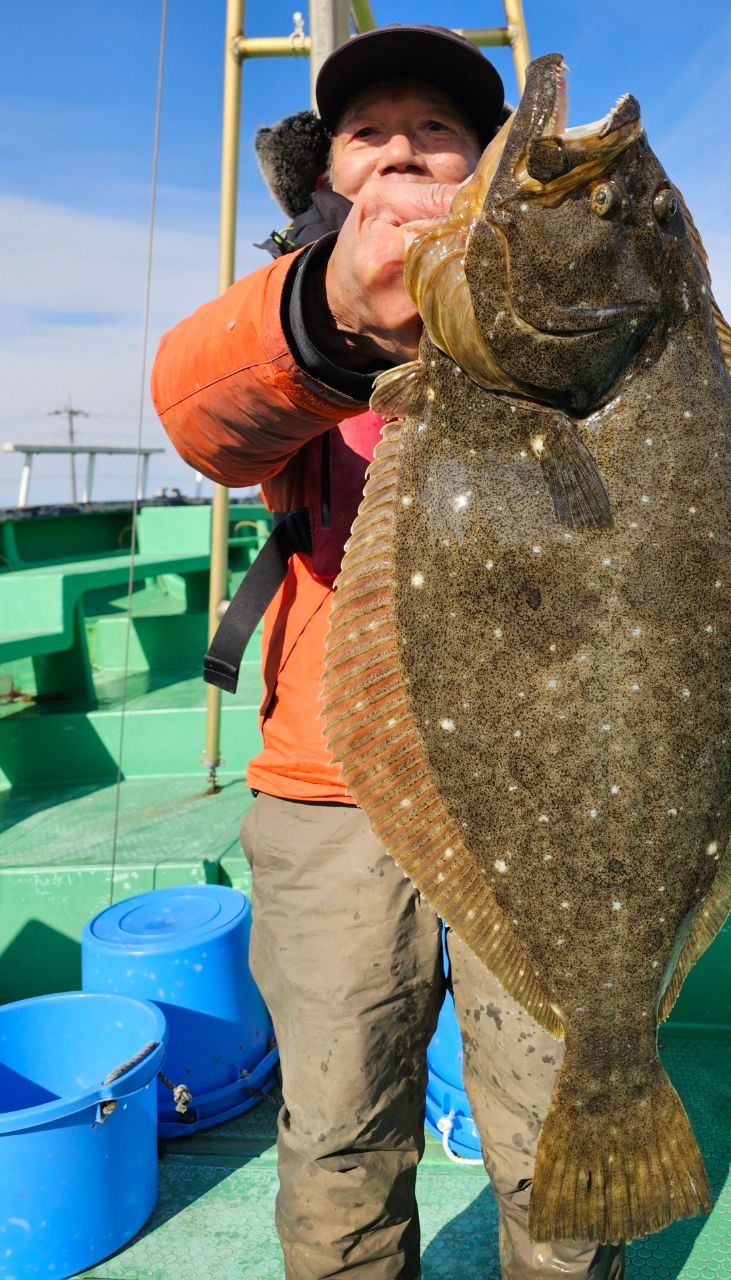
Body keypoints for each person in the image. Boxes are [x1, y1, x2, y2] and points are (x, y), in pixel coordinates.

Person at [152, 25, 625, 1280]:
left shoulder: (563, 305)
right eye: (371, 131)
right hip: (330, 787)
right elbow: (198, 413)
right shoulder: (292, 302)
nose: (404, 148)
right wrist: (344, 305)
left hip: (540, 790)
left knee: (551, 1134)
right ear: (332, 175)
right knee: (341, 1134)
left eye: (437, 131)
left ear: (481, 173)